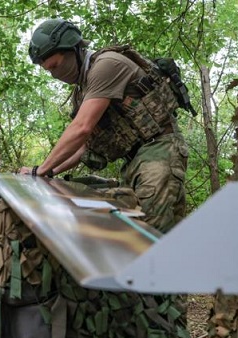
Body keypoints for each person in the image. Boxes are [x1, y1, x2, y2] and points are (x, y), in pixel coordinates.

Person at [20, 19, 189, 233]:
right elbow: (83, 148)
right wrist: (48, 173)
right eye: (48, 70)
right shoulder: (84, 90)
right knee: (144, 231)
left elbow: (82, 128)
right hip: (135, 160)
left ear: (73, 49)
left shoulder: (106, 66)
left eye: (55, 65)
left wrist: (40, 169)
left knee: (148, 233)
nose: (54, 74)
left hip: (160, 149)